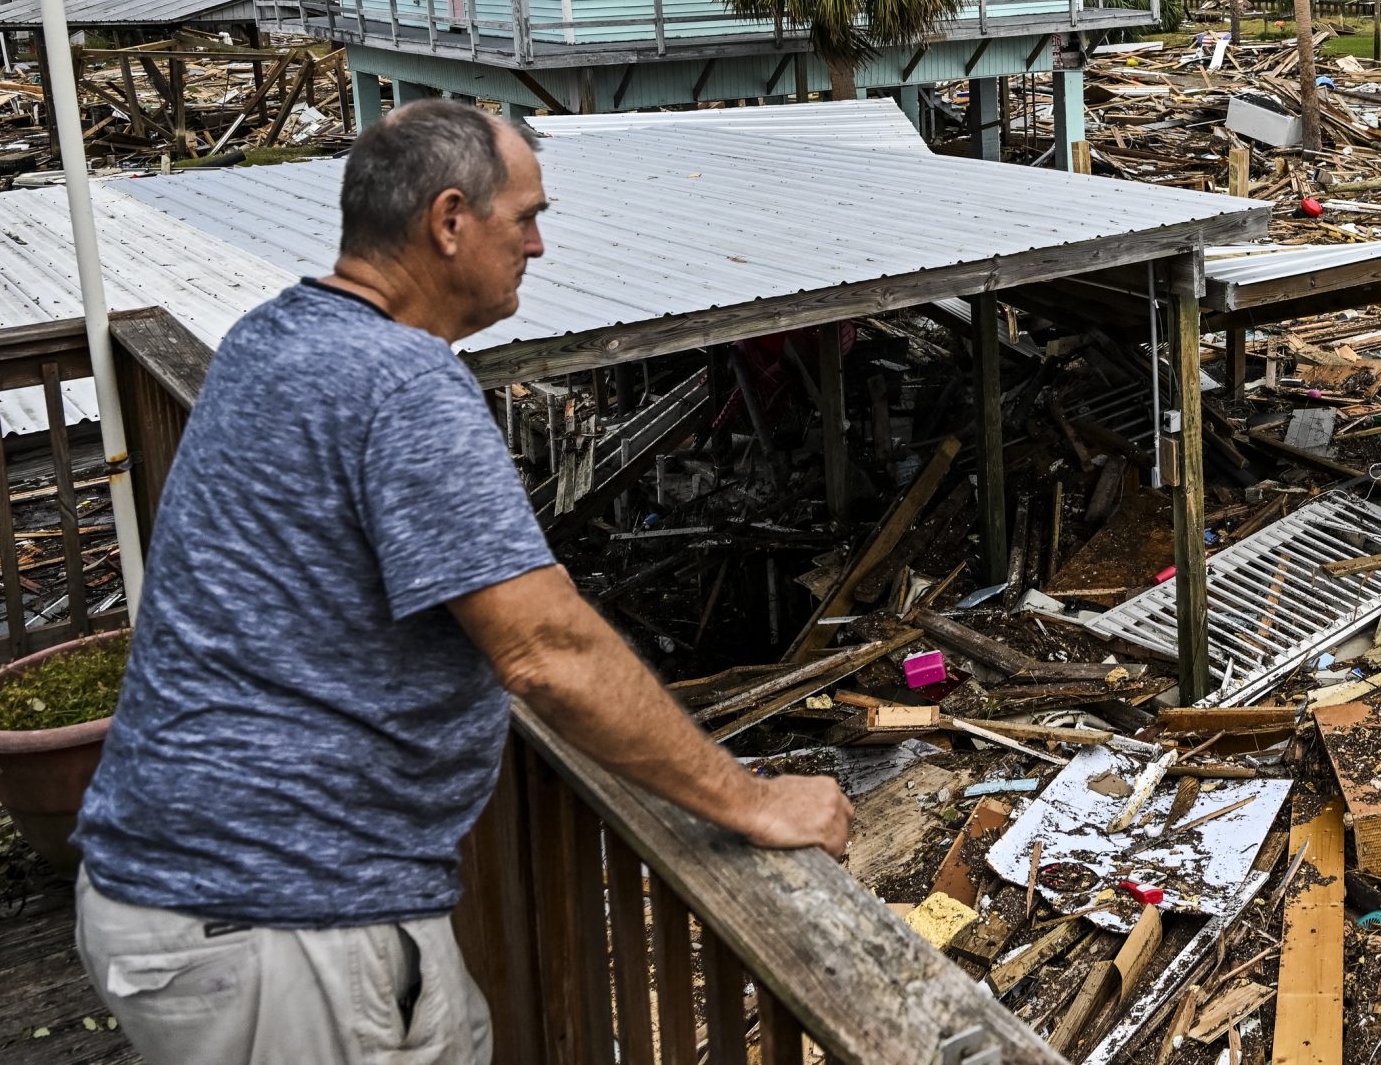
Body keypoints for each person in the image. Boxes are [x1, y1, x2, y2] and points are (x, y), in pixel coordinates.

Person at [72, 101, 850, 1064]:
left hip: (185, 890)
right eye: (523, 216)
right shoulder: (401, 381)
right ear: (449, 221)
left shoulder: (270, 338)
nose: (539, 244)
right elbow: (545, 647)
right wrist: (751, 799)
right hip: (280, 913)